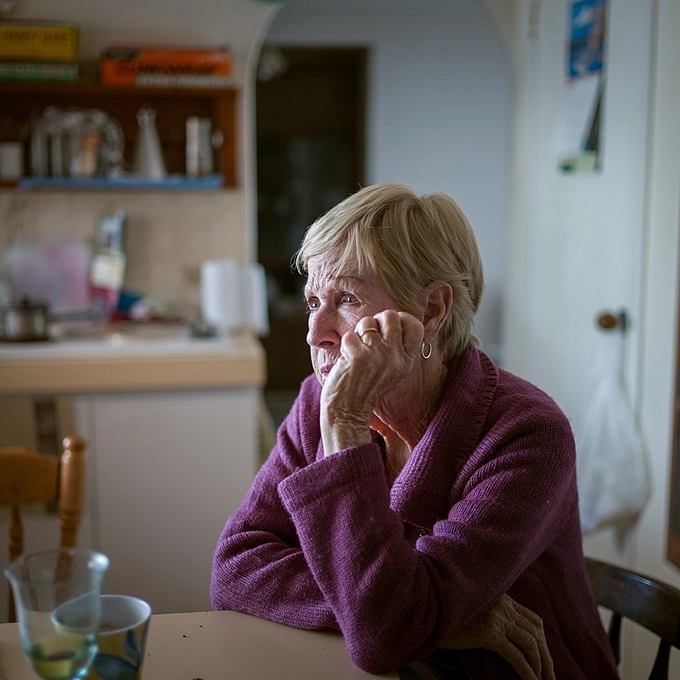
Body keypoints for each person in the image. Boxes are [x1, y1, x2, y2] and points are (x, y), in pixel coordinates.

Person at [210, 183, 618, 679]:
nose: (316, 332)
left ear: (431, 311)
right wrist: (424, 620)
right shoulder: (317, 402)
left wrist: (344, 426)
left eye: (347, 298)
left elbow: (387, 634)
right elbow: (235, 567)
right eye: (314, 301)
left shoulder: (528, 435)